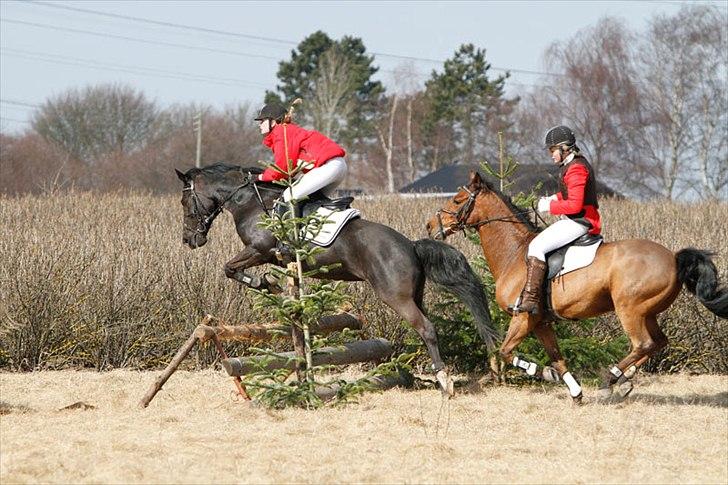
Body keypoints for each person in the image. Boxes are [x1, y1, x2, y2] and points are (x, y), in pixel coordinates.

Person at [512, 125, 602, 315]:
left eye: (553, 151)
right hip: (578, 219)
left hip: (581, 221)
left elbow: (575, 205)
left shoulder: (576, 168)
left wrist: (549, 207)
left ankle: (531, 300)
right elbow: (571, 194)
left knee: (536, 247)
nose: (551, 155)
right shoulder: (572, 164)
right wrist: (555, 197)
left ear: (564, 148)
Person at [254, 103, 348, 219]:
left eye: (262, 121)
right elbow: (290, 169)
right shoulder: (288, 131)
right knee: (312, 200)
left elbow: (282, 168)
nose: (259, 124)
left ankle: (293, 235)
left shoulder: (282, 132)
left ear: (273, 122)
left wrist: (260, 177)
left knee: (289, 197)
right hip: (338, 166)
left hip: (328, 167)